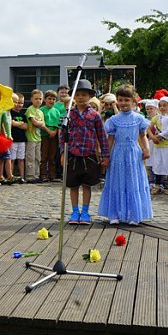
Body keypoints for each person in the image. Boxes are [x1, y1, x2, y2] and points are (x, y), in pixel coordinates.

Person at [98, 84, 152, 225]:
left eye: (126, 100)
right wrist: (106, 156)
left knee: (133, 181)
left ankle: (134, 214)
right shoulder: (114, 120)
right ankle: (114, 214)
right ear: (117, 101)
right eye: (120, 100)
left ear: (133, 101)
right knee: (118, 181)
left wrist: (146, 149)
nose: (123, 103)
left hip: (133, 153)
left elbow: (142, 135)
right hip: (118, 153)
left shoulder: (139, 118)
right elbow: (110, 139)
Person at [61, 79, 109, 225]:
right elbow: (63, 135)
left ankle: (86, 212)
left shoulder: (94, 115)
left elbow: (102, 136)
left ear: (90, 97)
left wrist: (106, 155)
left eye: (84, 95)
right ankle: (75, 211)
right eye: (78, 94)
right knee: (73, 185)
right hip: (73, 155)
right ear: (74, 97)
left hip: (89, 155)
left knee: (87, 185)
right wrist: (63, 152)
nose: (81, 97)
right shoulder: (69, 114)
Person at [39, 90, 61, 182]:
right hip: (44, 135)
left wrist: (55, 132)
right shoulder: (41, 110)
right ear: (45, 99)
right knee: (44, 156)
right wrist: (48, 131)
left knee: (52, 156)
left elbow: (58, 123)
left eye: (53, 99)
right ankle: (43, 174)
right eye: (49, 99)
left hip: (54, 136)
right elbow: (41, 123)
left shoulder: (56, 111)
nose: (51, 101)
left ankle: (52, 174)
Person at [25, 89, 45, 183]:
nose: (38, 100)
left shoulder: (40, 112)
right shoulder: (30, 109)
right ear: (32, 99)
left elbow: (43, 123)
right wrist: (39, 122)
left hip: (38, 138)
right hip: (31, 138)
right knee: (30, 157)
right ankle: (30, 175)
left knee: (38, 157)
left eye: (40, 99)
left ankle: (36, 175)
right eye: (36, 98)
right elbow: (35, 122)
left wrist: (39, 123)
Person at [9, 92, 28, 183]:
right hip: (13, 140)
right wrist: (19, 124)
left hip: (21, 140)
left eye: (21, 103)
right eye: (17, 102)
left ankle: (22, 177)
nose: (19, 105)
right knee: (12, 159)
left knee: (21, 159)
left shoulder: (23, 115)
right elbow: (11, 123)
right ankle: (10, 176)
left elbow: (26, 126)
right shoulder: (10, 113)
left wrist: (16, 123)